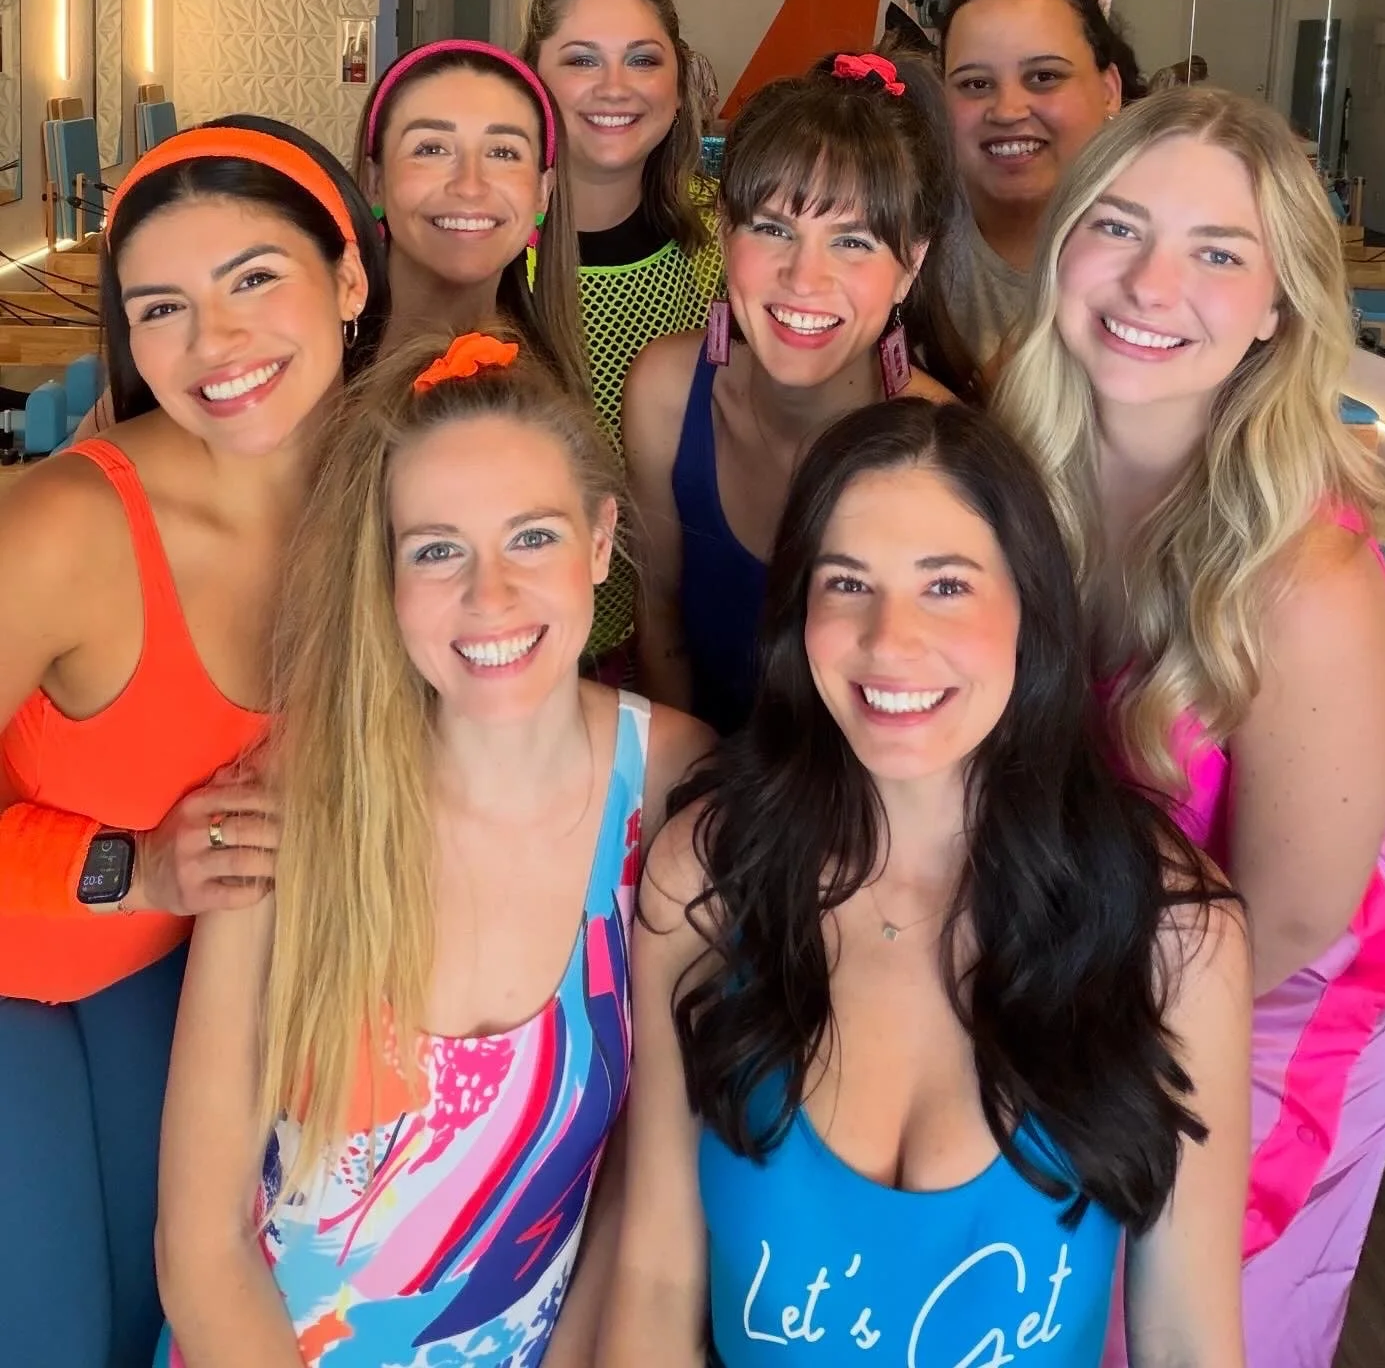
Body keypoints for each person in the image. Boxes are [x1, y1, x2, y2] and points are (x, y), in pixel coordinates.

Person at [600, 398, 1251, 1365]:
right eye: (848, 583)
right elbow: (657, 1276)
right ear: (800, 616)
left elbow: (1188, 1337)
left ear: (1030, 609)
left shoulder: (1171, 932)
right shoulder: (708, 875)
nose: (889, 639)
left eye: (946, 586)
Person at [156, 329, 710, 1367]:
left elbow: (641, 1193)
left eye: (533, 539)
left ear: (601, 542)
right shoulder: (297, 795)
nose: (488, 597)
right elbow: (198, 1246)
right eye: (437, 550)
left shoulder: (674, 786)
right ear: (388, 576)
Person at [996, 86, 1385, 1364]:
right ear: (1063, 245)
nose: (1151, 284)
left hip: (1288, 964)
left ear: (1276, 310)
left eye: (1219, 253)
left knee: (1172, 1310)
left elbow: (1286, 920)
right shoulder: (1010, 466)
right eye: (1119, 227)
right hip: (1105, 904)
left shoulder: (1309, 592)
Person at [0, 119, 387, 1368]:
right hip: (45, 1008)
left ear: (350, 279)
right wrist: (134, 866)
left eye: (255, 280)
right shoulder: (66, 527)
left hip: (272, 1000)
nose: (213, 347)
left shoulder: (395, 495)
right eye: (161, 307)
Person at [624, 50, 981, 737]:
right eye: (774, 229)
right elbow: (660, 618)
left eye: (852, 241)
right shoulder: (665, 394)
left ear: (911, 266)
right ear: (726, 236)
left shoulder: (945, 449)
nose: (804, 278)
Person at [519, 0, 722, 661]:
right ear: (532, 80)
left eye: (642, 58)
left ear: (678, 79)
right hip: (521, 641)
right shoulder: (496, 246)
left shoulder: (726, 239)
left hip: (693, 640)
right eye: (580, 61)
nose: (616, 87)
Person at [940, 0, 1142, 367]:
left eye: (1044, 77)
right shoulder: (903, 227)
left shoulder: (1162, 243)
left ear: (1109, 90)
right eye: (975, 83)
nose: (1008, 110)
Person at [354, 38, 588, 396]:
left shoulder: (552, 404)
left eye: (503, 152)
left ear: (543, 192)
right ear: (375, 183)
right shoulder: (308, 372)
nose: (470, 186)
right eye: (431, 149)